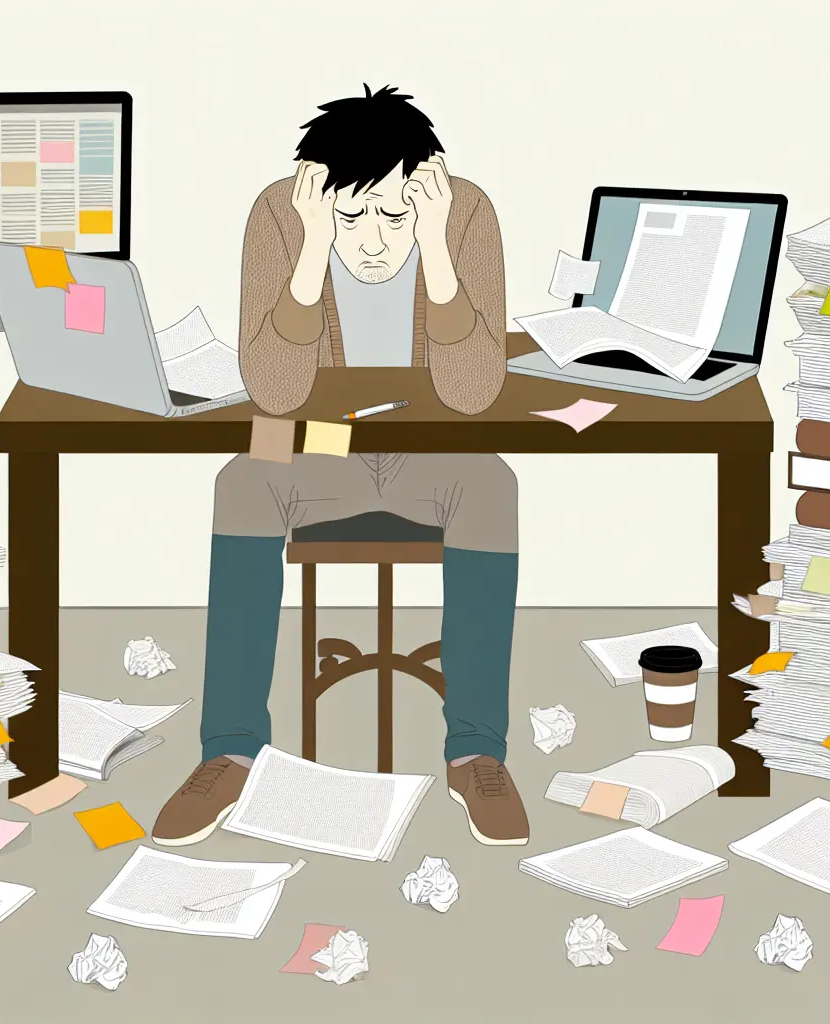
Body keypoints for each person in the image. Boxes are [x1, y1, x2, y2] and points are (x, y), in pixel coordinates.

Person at [151, 85, 529, 848]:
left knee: (495, 482)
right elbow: (275, 389)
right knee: (242, 476)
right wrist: (310, 246)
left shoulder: (465, 211)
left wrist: (440, 246)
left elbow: (473, 390)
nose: (376, 241)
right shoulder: (280, 214)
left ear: (426, 190)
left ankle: (477, 751)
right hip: (311, 443)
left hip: (434, 449)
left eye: (394, 215)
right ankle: (228, 748)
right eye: (352, 217)